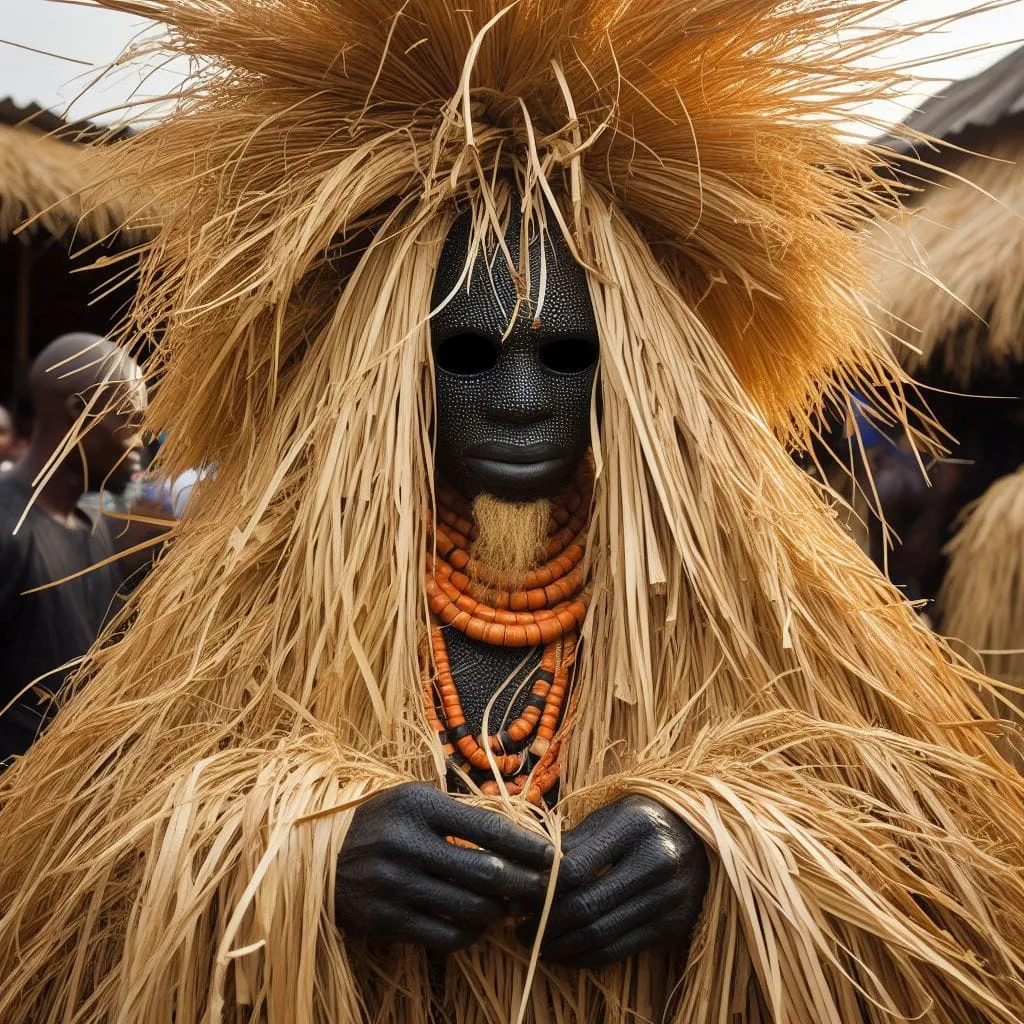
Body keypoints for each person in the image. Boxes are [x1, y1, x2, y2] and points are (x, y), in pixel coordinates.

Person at [2, 3, 1024, 1023]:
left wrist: (722, 846)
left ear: (627, 370)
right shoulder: (259, 582)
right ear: (399, 366)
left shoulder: (765, 592)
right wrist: (302, 847)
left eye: (565, 356)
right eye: (473, 355)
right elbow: (78, 874)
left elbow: (936, 864)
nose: (523, 398)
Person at [0, 333, 145, 763]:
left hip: (68, 811)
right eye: (130, 423)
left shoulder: (95, 530)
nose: (138, 447)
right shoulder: (9, 527)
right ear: (80, 413)